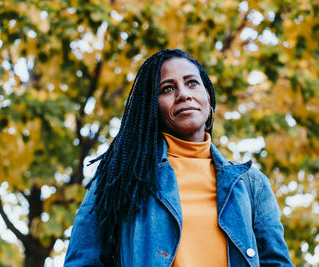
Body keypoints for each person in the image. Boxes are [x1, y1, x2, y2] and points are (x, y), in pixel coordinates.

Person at [64, 49, 293, 267]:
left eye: (192, 83)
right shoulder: (122, 177)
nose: (183, 94)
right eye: (167, 89)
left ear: (208, 96)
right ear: (151, 108)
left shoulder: (252, 184)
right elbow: (83, 260)